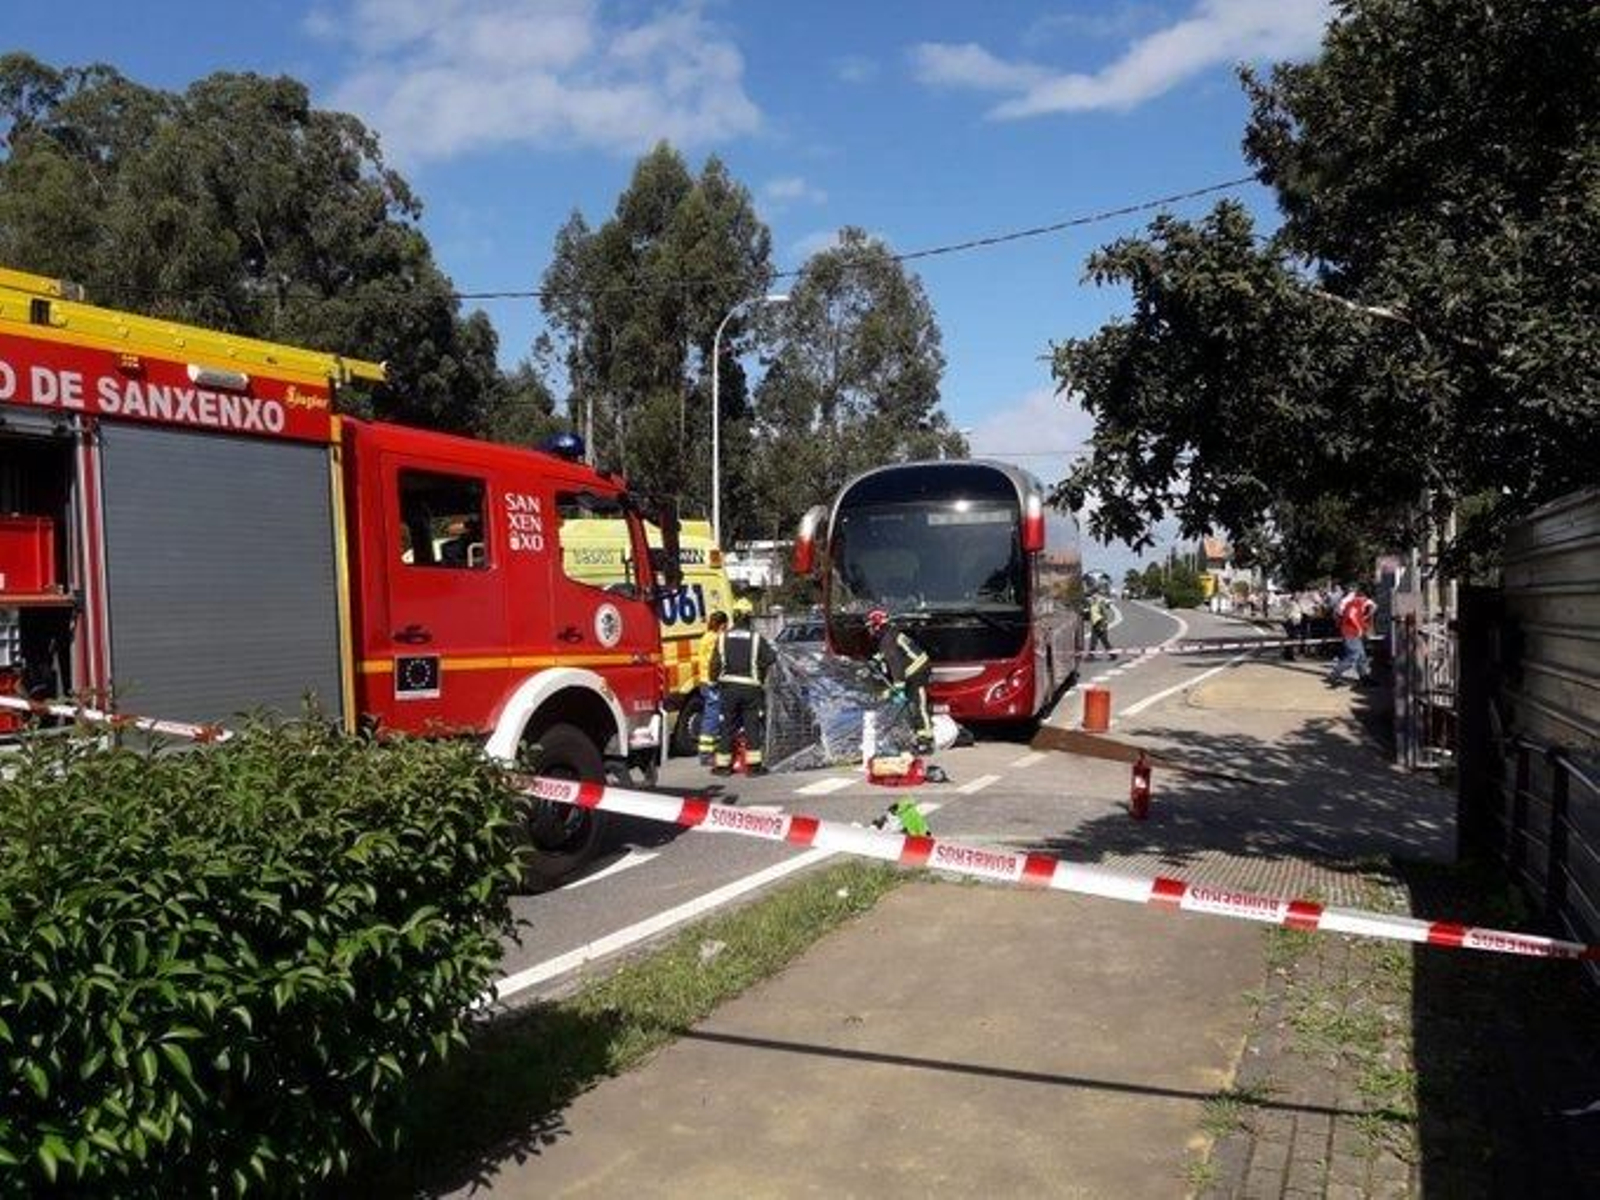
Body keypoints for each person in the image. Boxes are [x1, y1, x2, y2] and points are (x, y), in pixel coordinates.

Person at [710, 598, 775, 776]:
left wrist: (713, 681)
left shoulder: (722, 638)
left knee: (727, 726)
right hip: (751, 688)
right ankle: (753, 767)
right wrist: (759, 669)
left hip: (728, 688)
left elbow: (714, 663)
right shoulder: (756, 638)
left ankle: (723, 766)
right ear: (749, 618)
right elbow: (770, 658)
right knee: (751, 726)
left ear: (734, 616)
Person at [867, 608, 934, 755]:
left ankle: (926, 740)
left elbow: (896, 663)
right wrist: (876, 660)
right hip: (912, 669)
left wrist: (898, 687)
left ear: (877, 626)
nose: (870, 630)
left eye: (871, 627)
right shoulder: (890, 634)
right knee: (912, 703)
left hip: (918, 671)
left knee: (918, 704)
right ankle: (917, 735)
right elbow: (891, 652)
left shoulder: (887, 639)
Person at [694, 610, 729, 764]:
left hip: (704, 680)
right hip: (712, 682)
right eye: (726, 624)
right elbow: (718, 662)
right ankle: (706, 754)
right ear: (722, 624)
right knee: (712, 717)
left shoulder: (706, 636)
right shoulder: (716, 639)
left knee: (712, 715)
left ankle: (709, 750)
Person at [1327, 582, 1377, 685]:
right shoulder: (1355, 602)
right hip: (1350, 632)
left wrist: (1365, 618)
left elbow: (1373, 606)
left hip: (1352, 632)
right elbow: (1352, 615)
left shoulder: (1357, 601)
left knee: (1361, 656)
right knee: (1353, 656)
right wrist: (1360, 627)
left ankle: (1364, 678)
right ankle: (1334, 675)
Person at [1086, 593, 1114, 658]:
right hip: (1094, 625)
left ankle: (1113, 655)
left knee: (1104, 640)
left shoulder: (1099, 605)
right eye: (1092, 598)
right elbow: (1090, 616)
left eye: (1094, 598)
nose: (1092, 600)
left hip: (1101, 623)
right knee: (1093, 640)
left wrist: (1103, 625)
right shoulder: (1091, 606)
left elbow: (1104, 615)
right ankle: (1091, 655)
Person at [1280, 592, 1305, 661]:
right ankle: (1289, 655)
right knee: (1292, 638)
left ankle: (1289, 654)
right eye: (1298, 596)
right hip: (1292, 622)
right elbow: (1287, 612)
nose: (1299, 597)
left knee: (1292, 638)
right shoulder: (1292, 603)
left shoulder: (1296, 604)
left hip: (1295, 622)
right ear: (1294, 597)